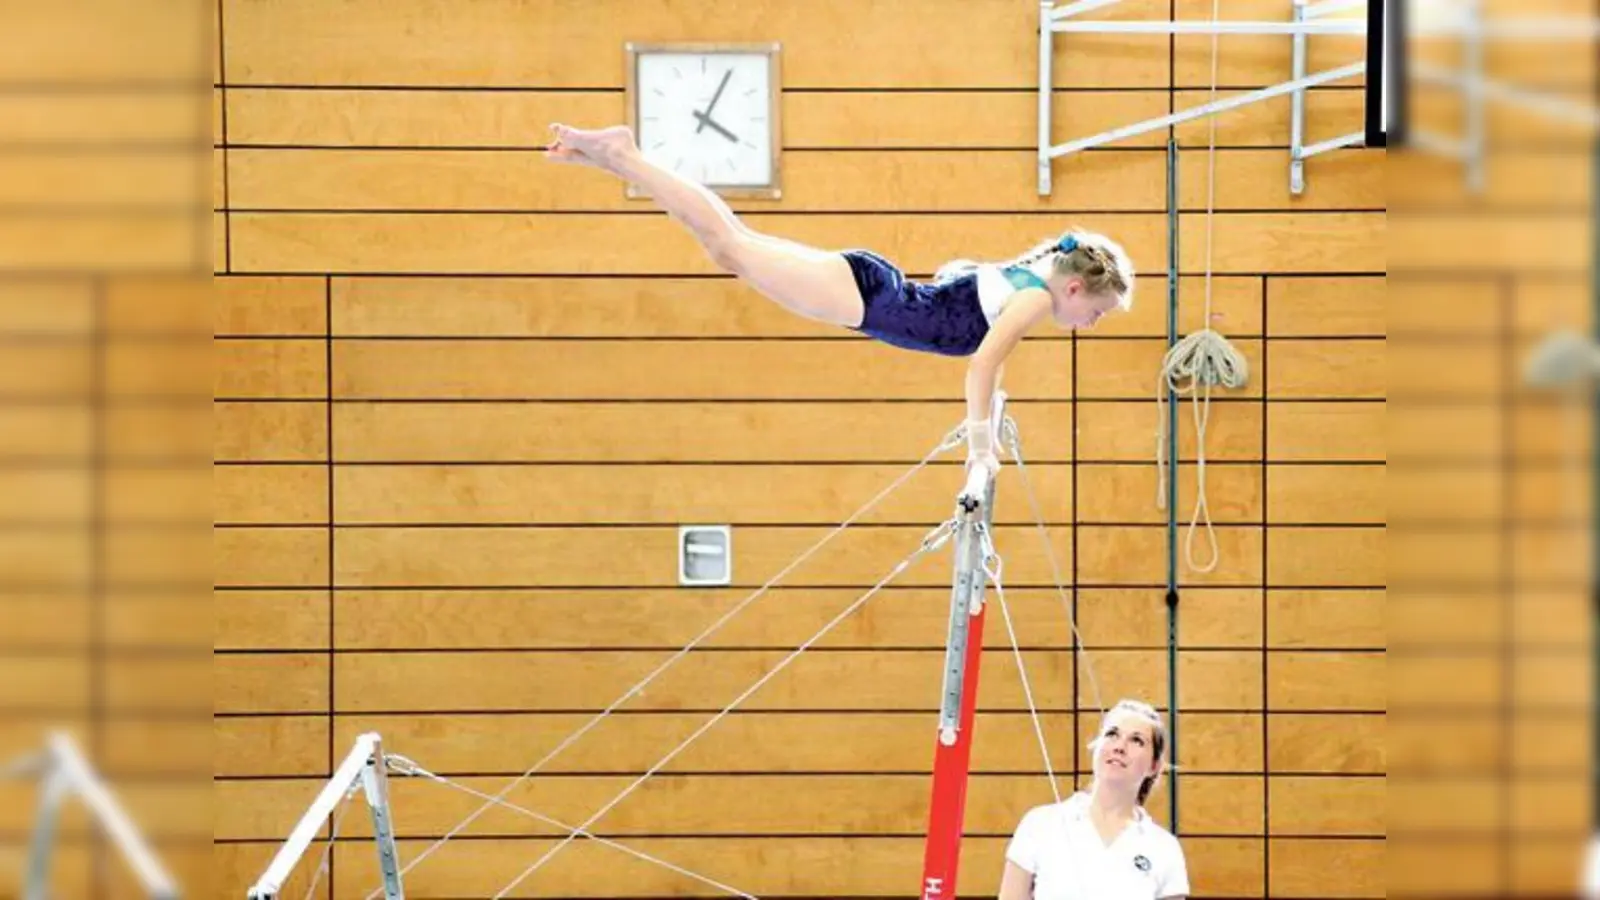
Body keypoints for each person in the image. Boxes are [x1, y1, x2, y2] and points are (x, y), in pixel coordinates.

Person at [544, 123, 1136, 475]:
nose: (1090, 324)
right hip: (869, 298)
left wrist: (991, 409)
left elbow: (980, 323)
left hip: (871, 294)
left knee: (732, 245)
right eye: (1097, 313)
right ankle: (623, 154)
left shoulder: (1028, 282)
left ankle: (614, 158)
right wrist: (980, 448)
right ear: (1076, 287)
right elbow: (983, 361)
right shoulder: (1033, 299)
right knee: (729, 245)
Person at [998, 699, 1189, 900]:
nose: (1120, 747)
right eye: (1112, 734)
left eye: (1136, 740)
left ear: (1154, 766)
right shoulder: (1039, 824)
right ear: (1096, 746)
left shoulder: (1164, 848)